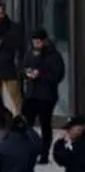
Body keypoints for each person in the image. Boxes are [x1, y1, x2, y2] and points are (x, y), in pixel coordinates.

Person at [22, 29, 66, 163]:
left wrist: (40, 74)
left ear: (44, 41)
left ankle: (44, 154)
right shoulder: (30, 53)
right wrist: (27, 73)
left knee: (45, 125)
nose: (36, 44)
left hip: (46, 96)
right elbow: (23, 67)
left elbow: (58, 75)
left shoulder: (54, 56)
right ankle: (28, 151)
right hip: (31, 94)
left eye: (38, 42)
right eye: (34, 42)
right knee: (26, 124)